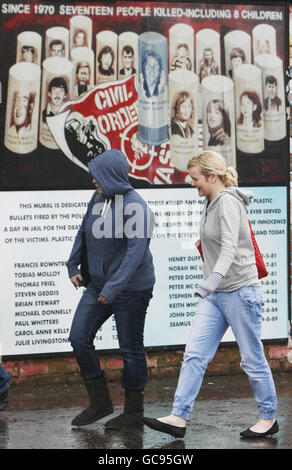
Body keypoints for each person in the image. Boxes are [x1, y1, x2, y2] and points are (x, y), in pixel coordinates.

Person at [143, 150, 278, 439]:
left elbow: (229, 246)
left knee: (251, 359)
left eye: (195, 179)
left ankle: (268, 417)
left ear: (211, 176)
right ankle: (178, 416)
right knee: (194, 355)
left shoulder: (227, 202)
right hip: (215, 298)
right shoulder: (212, 201)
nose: (192, 183)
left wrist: (212, 279)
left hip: (241, 292)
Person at [67, 149, 155, 429]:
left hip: (131, 289)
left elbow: (135, 253)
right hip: (99, 285)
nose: (93, 180)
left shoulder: (136, 206)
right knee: (79, 338)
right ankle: (100, 402)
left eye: (98, 176)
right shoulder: (99, 198)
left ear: (112, 176)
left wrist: (114, 288)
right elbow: (83, 231)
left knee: (130, 348)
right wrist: (73, 265)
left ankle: (133, 412)